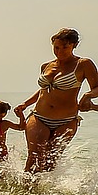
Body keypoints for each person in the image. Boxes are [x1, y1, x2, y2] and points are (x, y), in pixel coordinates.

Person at [15, 28, 96, 175]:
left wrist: (88, 95)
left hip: (66, 120)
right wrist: (25, 104)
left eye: (65, 47)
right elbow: (44, 90)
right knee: (34, 157)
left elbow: (97, 87)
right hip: (39, 116)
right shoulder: (46, 66)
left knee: (50, 161)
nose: (60, 51)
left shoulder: (83, 64)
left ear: (74, 45)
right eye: (56, 47)